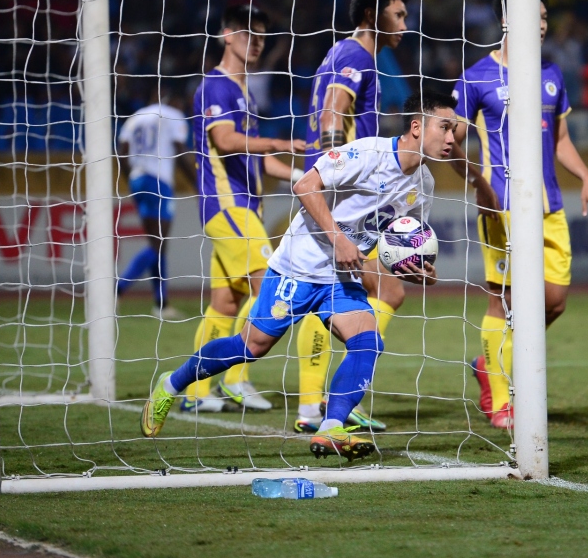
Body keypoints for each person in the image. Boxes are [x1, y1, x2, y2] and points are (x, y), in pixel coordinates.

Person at [141, 92, 457, 460]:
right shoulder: (367, 153)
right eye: (445, 127)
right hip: (298, 265)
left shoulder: (425, 185)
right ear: (417, 127)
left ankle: (331, 427)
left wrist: (415, 269)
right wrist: (339, 240)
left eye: (454, 130)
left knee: (367, 341)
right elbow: (305, 186)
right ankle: (171, 383)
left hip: (341, 276)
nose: (452, 138)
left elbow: (398, 242)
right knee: (251, 347)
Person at [451, 0, 588, 430]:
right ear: (506, 20)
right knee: (503, 302)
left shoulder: (551, 75)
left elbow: (559, 141)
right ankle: (501, 402)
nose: (540, 26)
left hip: (549, 206)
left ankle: (488, 362)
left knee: (552, 302)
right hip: (501, 207)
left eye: (543, 19)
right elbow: (453, 144)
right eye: (531, 17)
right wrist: (478, 184)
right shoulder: (477, 76)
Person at [293, 0, 410, 433]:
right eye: (397, 15)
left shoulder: (346, 54)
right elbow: (330, 117)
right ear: (370, 15)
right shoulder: (356, 56)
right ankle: (317, 403)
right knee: (337, 292)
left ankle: (327, 399)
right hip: (338, 196)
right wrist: (336, 178)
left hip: (338, 192)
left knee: (378, 293)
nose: (404, 24)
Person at [184, 4, 305, 413]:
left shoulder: (245, 92)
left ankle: (195, 392)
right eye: (248, 35)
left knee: (225, 305)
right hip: (228, 205)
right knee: (268, 286)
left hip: (242, 206)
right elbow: (227, 142)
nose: (256, 43)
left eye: (261, 37)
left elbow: (256, 159)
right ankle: (236, 379)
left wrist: (296, 174)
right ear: (226, 35)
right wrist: (277, 142)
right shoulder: (215, 86)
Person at [117, 86, 197, 319]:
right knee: (157, 244)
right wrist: (198, 184)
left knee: (157, 243)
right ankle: (117, 289)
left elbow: (122, 152)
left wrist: (131, 179)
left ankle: (161, 303)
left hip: (137, 179)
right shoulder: (173, 114)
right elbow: (181, 150)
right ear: (174, 101)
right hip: (158, 181)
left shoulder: (135, 117)